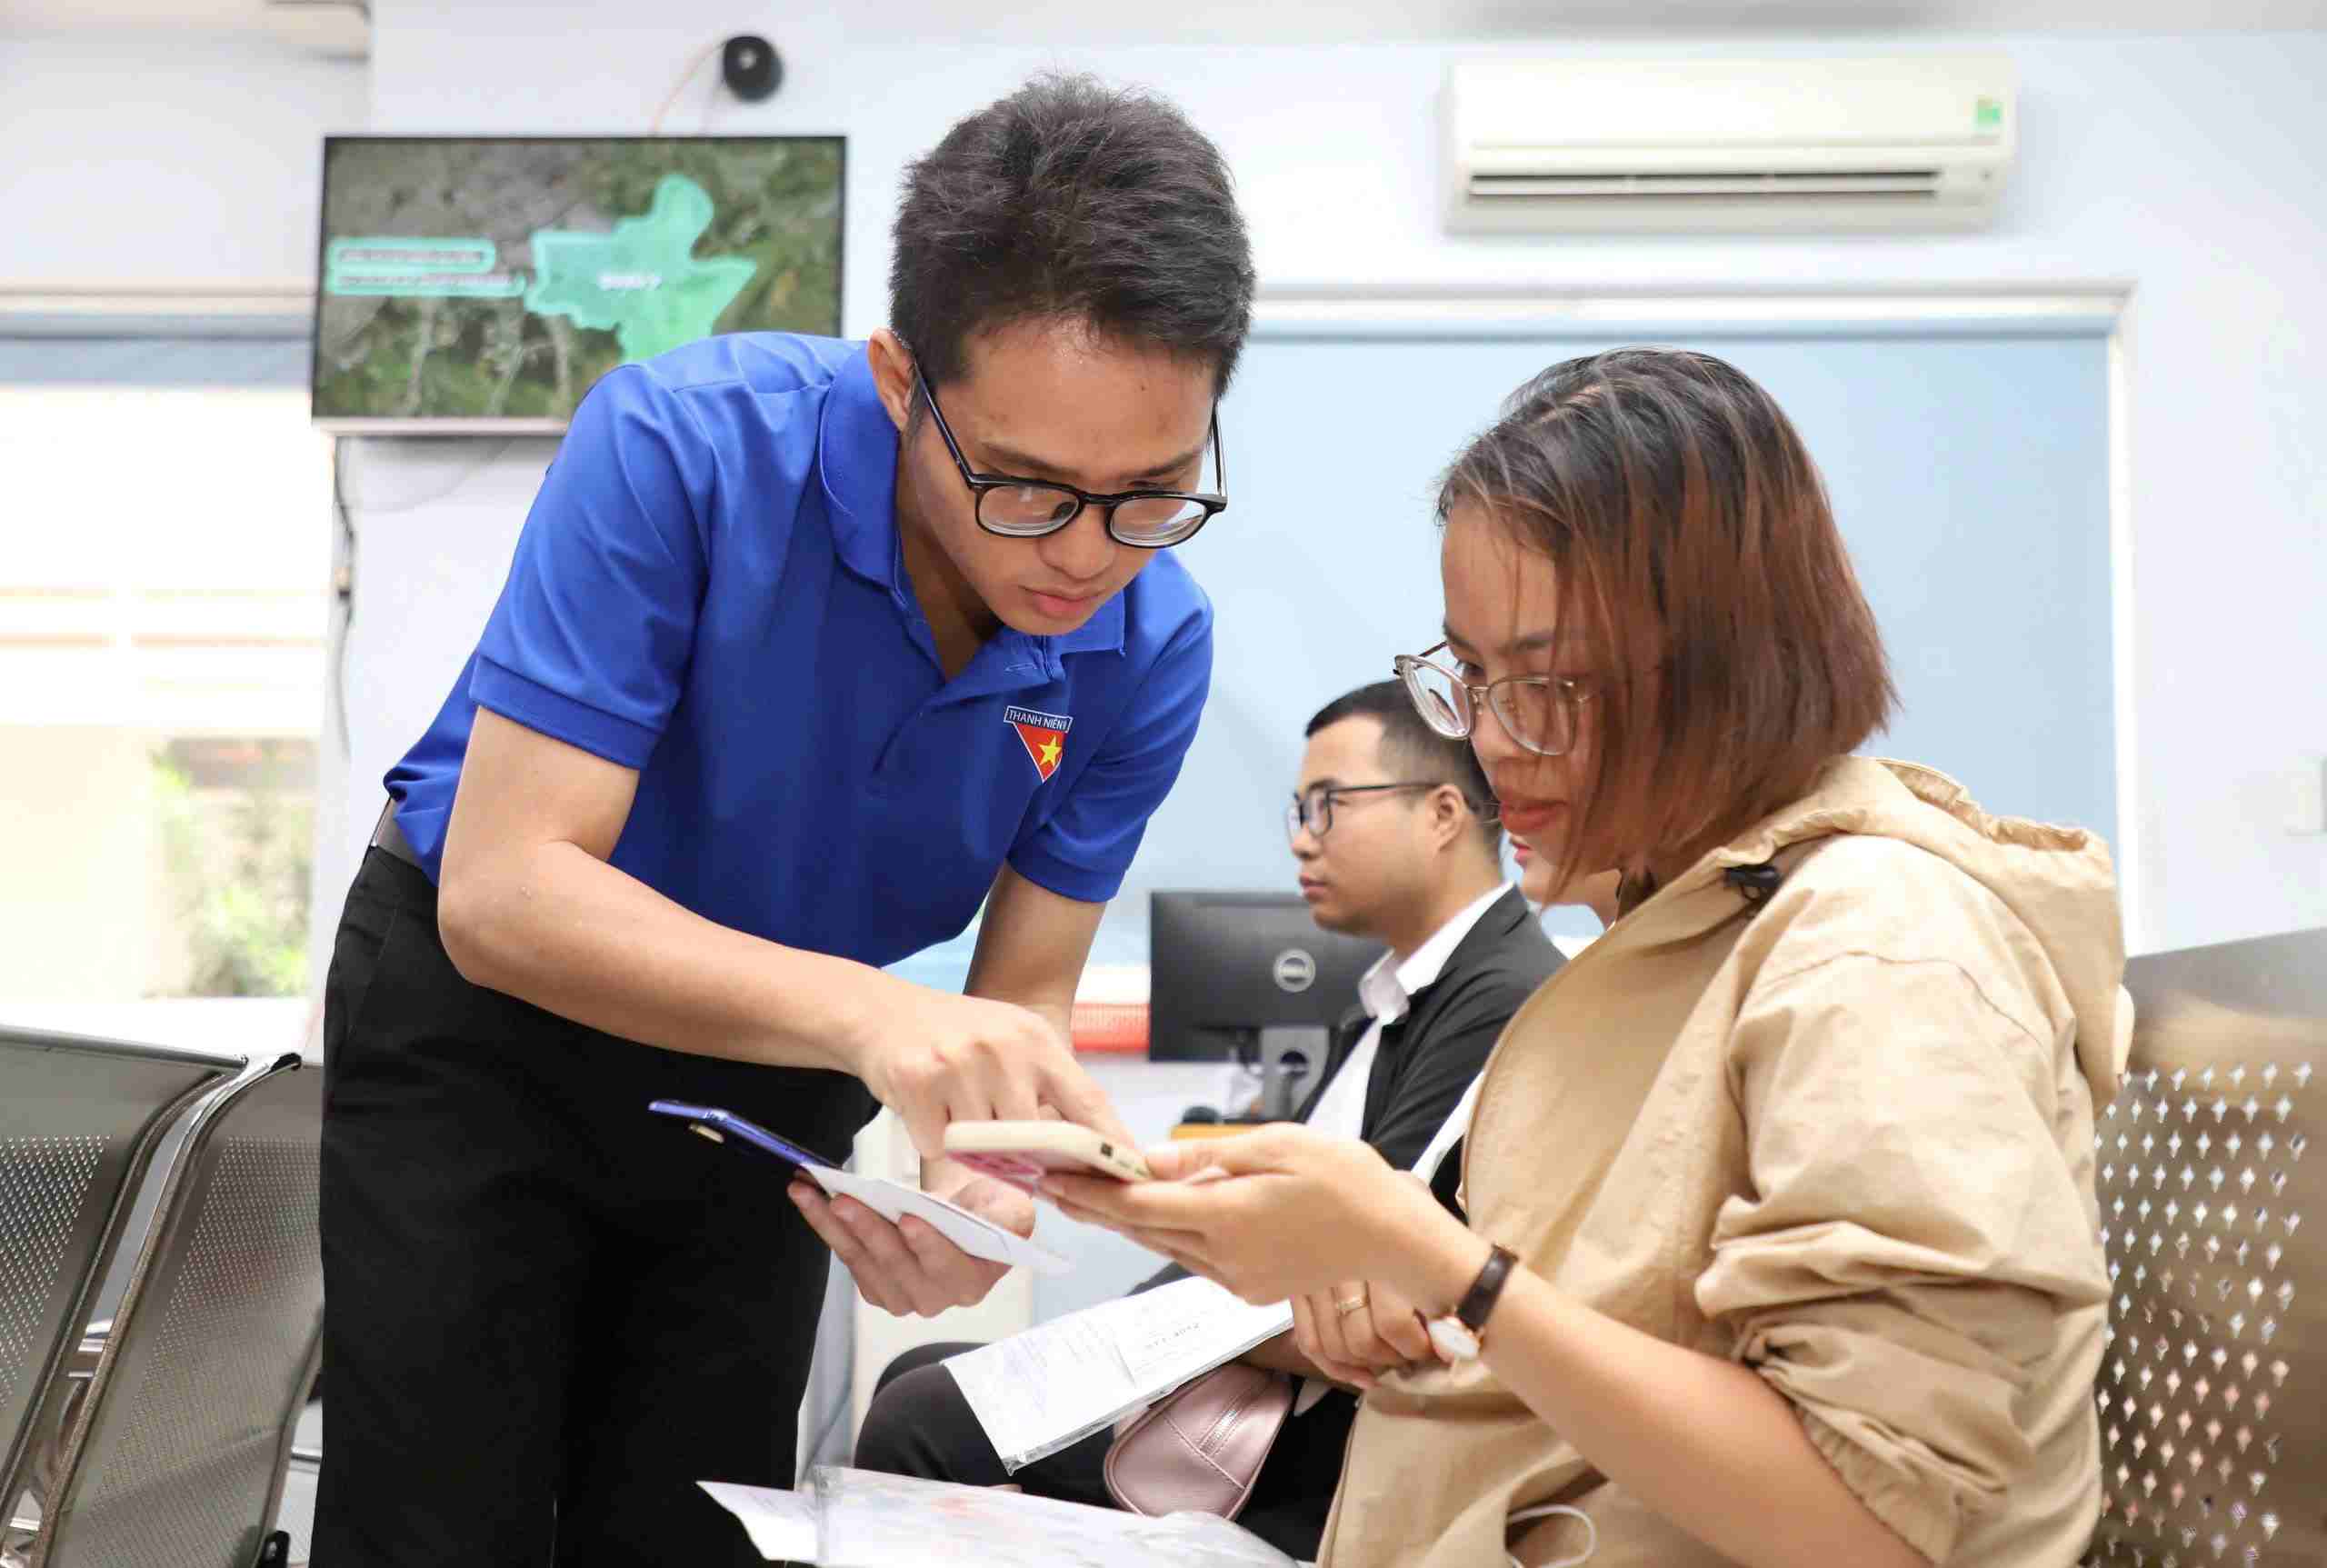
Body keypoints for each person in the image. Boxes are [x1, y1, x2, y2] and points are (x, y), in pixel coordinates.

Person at [315, 75, 1254, 1567]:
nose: (1087, 555)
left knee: (694, 1520)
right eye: (1025, 488)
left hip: (772, 1078)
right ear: (901, 381)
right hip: (484, 1035)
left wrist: (971, 1199)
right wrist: (881, 1023)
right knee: (445, 1524)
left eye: (1151, 494)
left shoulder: (1149, 647)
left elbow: (1017, 1010)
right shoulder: (683, 448)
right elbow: (504, 893)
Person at [1052, 347, 2123, 1568]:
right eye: (1474, 673)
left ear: (1731, 666)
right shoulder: (1679, 921)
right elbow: (1645, 1317)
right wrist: (1399, 1274)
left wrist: (1443, 1266)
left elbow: (1867, 1519)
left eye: (1551, 683)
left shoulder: (1880, 955)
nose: (1496, 746)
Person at [852, 679, 1563, 1560]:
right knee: (924, 1379)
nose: (1301, 838)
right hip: (1270, 1372)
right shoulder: (1398, 996)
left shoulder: (1496, 995)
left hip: (1328, 1436)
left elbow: (1355, 1262)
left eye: (1327, 807)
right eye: (1296, 810)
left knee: (920, 1414)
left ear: (1444, 814)